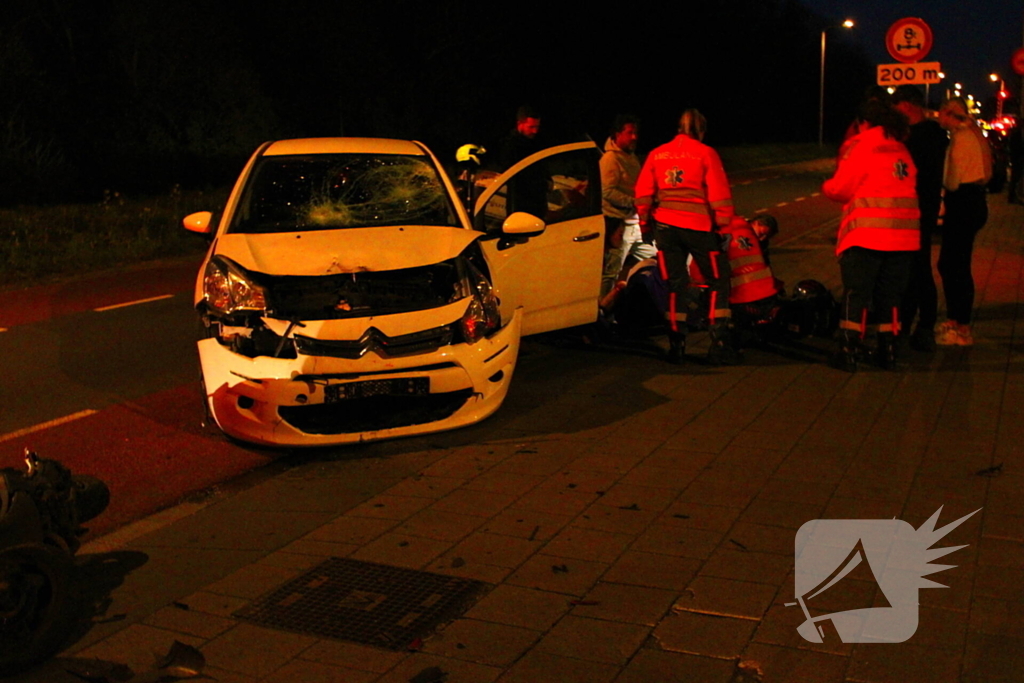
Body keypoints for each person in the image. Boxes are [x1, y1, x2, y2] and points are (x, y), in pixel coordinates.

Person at [822, 99, 920, 371]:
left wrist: (827, 187)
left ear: (862, 122)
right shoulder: (900, 147)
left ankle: (847, 349)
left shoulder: (862, 144)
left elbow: (841, 188)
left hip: (867, 236)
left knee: (857, 294)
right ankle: (888, 350)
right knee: (891, 296)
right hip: (904, 238)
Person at [634, 109, 738, 365]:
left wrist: (646, 226)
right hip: (699, 228)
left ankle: (676, 344)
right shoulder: (706, 153)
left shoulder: (657, 154)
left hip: (665, 228)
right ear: (701, 130)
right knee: (718, 280)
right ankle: (719, 342)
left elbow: (643, 194)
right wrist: (723, 228)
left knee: (675, 285)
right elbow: (720, 195)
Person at [891, 85, 948, 353]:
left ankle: (923, 324)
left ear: (908, 106)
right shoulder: (932, 134)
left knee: (918, 268)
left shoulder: (924, 136)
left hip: (918, 209)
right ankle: (914, 322)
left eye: (897, 106)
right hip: (918, 209)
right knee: (915, 267)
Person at [935, 97, 992, 347]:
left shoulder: (961, 137)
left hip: (963, 201)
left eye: (941, 113)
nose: (938, 118)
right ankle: (957, 320)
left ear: (950, 113)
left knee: (953, 264)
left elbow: (952, 180)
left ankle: (961, 326)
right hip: (973, 202)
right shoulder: (974, 133)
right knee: (954, 262)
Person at [600, 115, 657, 297]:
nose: (634, 137)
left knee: (656, 260)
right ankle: (602, 314)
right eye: (629, 133)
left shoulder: (630, 157)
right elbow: (607, 191)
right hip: (618, 226)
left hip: (636, 223)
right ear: (617, 135)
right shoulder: (611, 159)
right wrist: (633, 202)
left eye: (635, 133)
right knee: (610, 274)